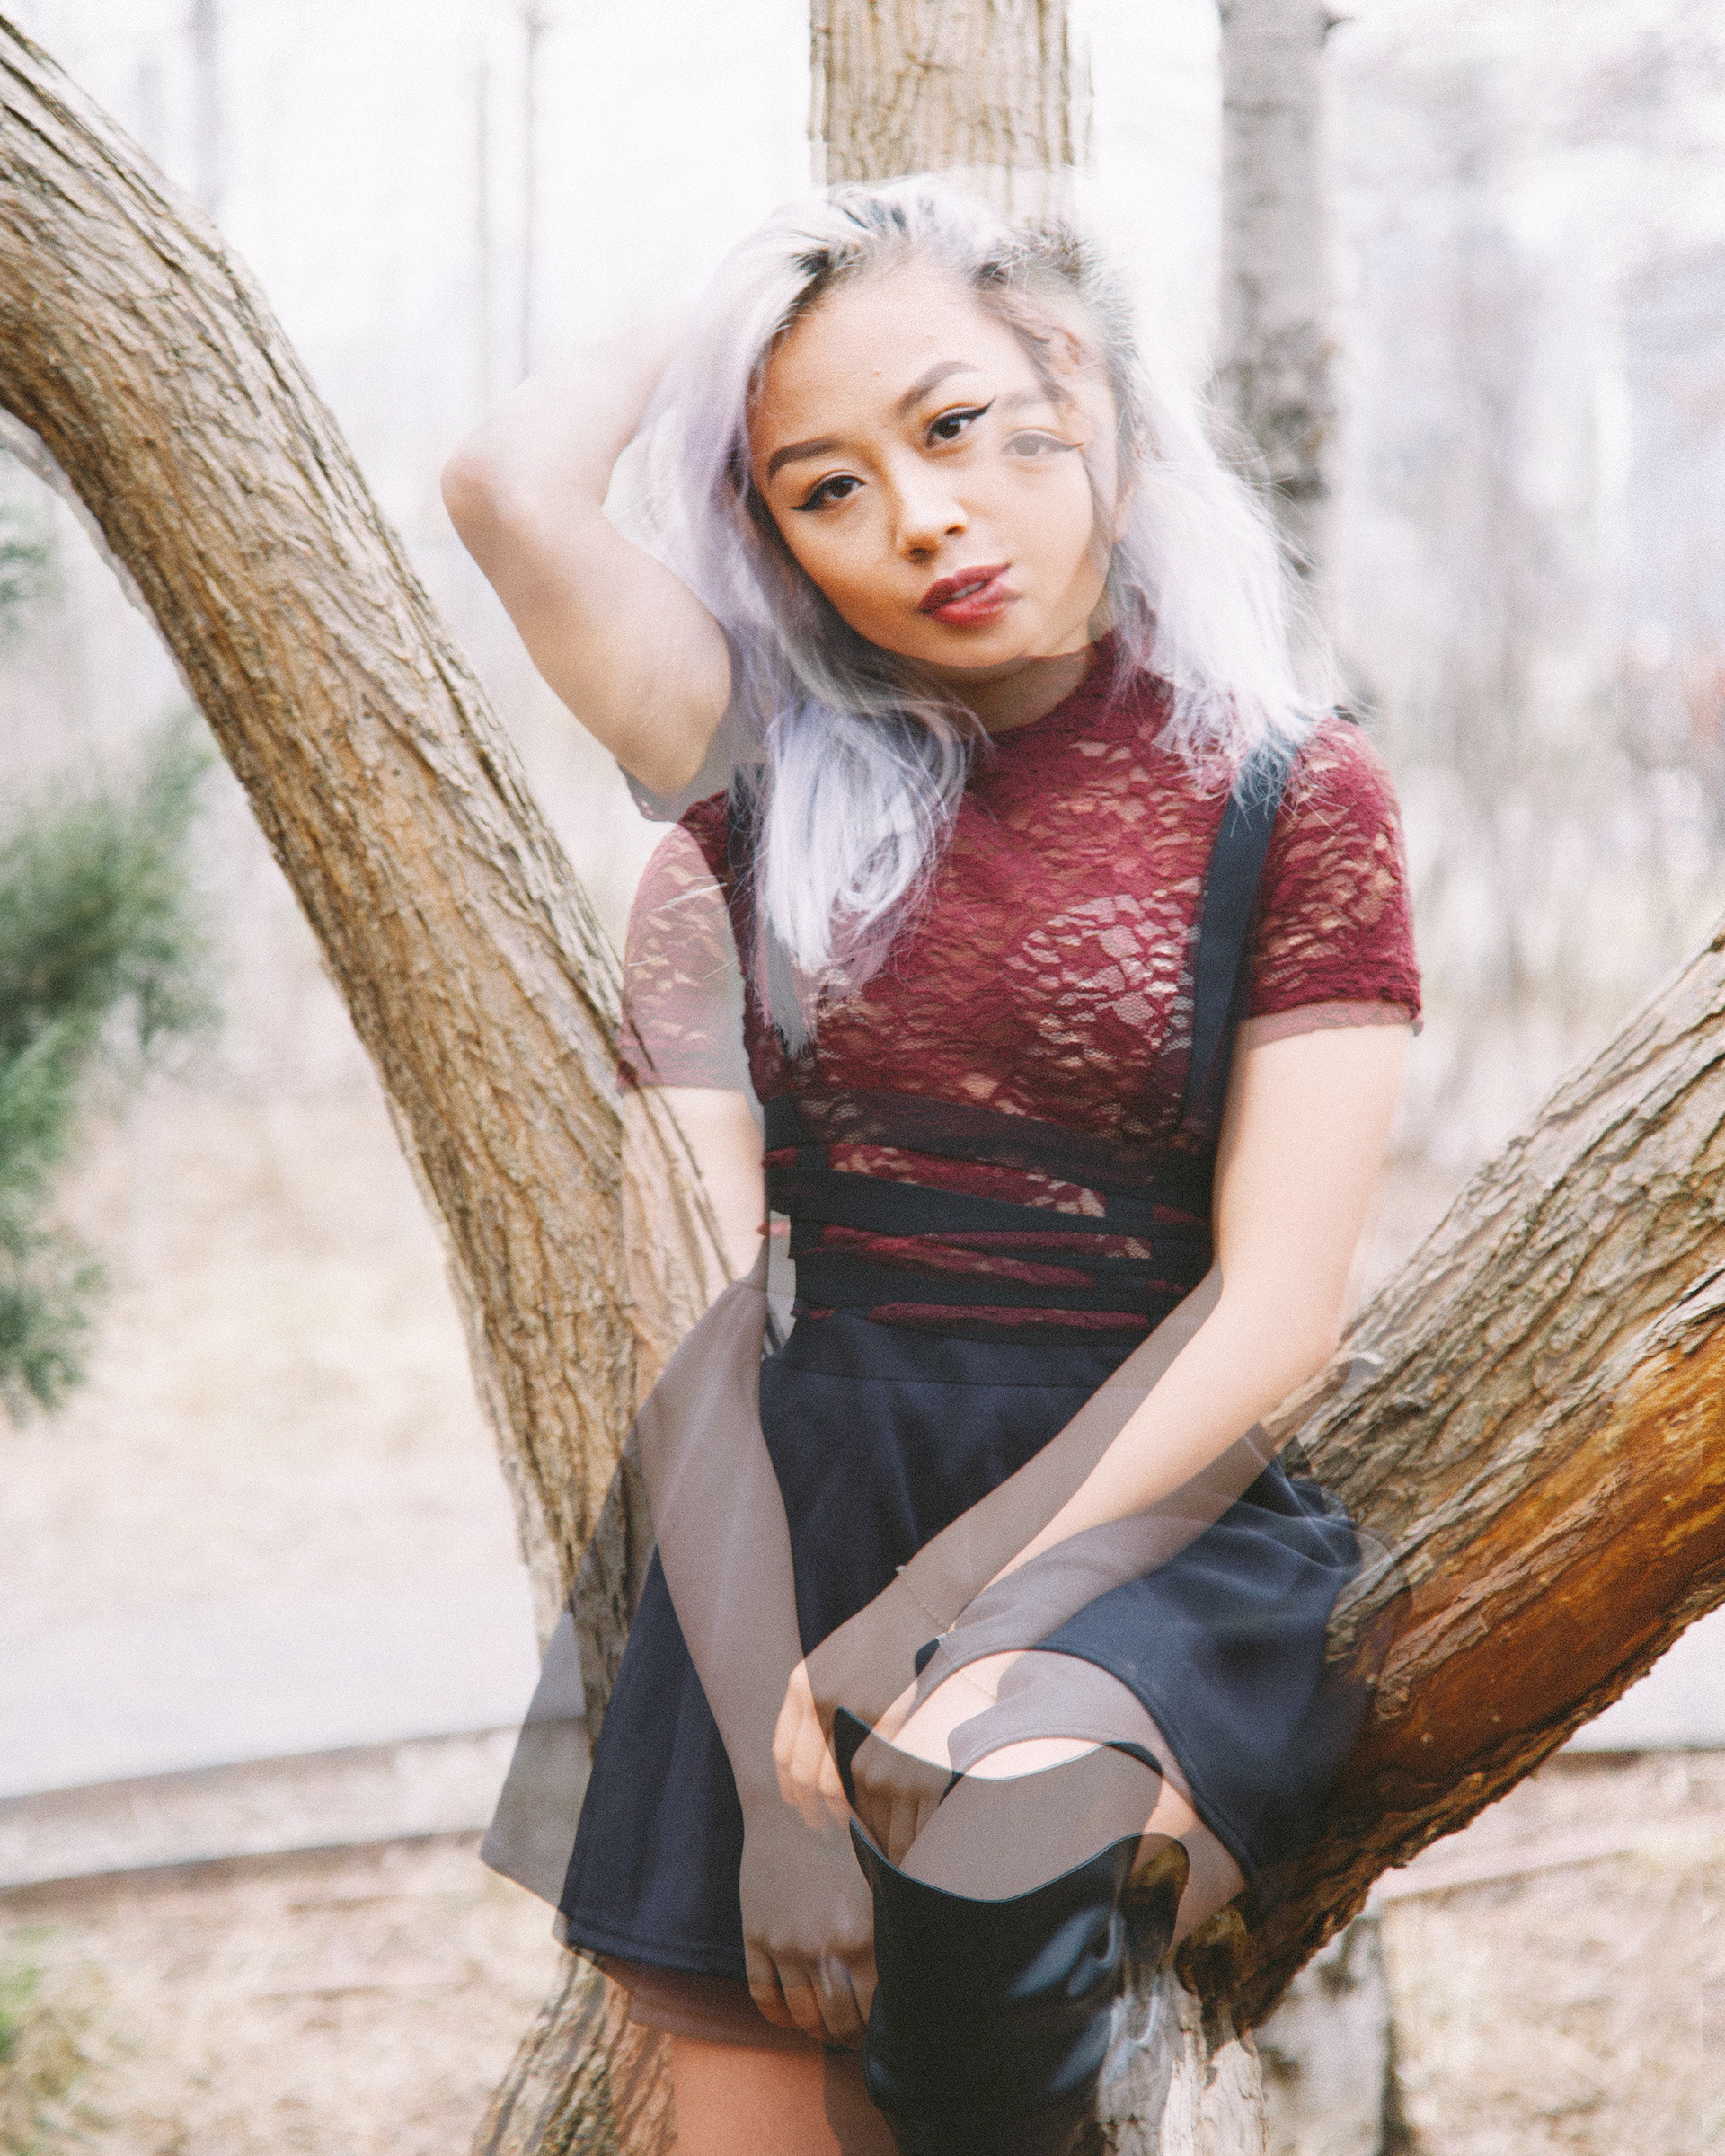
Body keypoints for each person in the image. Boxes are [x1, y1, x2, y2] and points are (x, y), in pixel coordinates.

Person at [444, 179, 1419, 2156]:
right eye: (826, 487)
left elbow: (1280, 1311)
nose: (921, 519)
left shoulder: (1293, 792)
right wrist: (775, 1767)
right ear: (774, 543)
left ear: (1084, 384)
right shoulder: (747, 815)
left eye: (957, 424)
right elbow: (697, 1330)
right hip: (779, 1546)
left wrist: (918, 1636)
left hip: (1137, 1522)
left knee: (979, 1824)